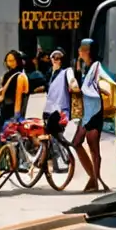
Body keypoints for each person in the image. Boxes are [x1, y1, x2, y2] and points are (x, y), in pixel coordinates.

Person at [42, 49, 95, 186]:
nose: (55, 60)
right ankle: (49, 165)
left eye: (59, 57)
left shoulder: (67, 71)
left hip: (62, 114)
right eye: (53, 57)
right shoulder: (51, 74)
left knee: (75, 143)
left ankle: (93, 176)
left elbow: (72, 80)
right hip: (50, 112)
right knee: (51, 139)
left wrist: (74, 85)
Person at [77, 39, 111, 193]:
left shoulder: (96, 67)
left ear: (88, 51)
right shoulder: (86, 67)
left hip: (95, 112)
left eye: (82, 49)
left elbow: (105, 84)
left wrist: (101, 89)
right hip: (86, 113)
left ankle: (95, 180)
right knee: (77, 142)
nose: (80, 51)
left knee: (93, 146)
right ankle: (94, 177)